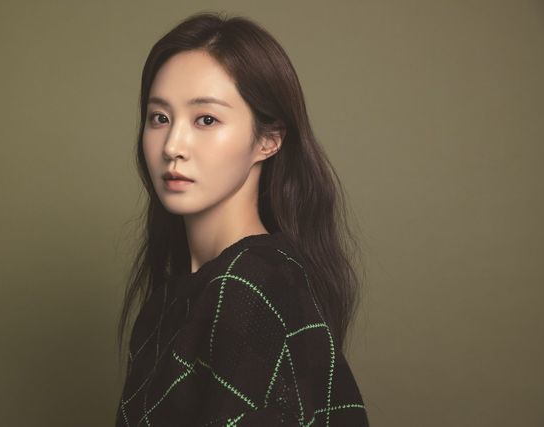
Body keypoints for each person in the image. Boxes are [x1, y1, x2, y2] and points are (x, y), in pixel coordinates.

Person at [116, 11, 369, 427]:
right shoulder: (176, 297)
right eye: (159, 118)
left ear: (268, 140)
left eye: (206, 119)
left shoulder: (248, 287)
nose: (173, 146)